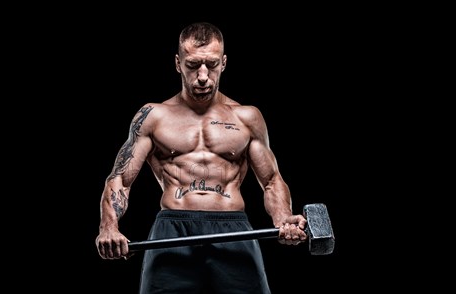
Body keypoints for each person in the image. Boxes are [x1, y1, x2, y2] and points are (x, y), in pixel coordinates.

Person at [95, 21, 307, 293]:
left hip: (234, 229)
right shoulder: (153, 116)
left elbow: (271, 180)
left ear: (224, 62)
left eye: (212, 64)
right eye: (193, 65)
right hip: (173, 229)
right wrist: (109, 227)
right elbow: (120, 179)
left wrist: (283, 219)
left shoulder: (247, 117)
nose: (203, 76)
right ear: (177, 63)